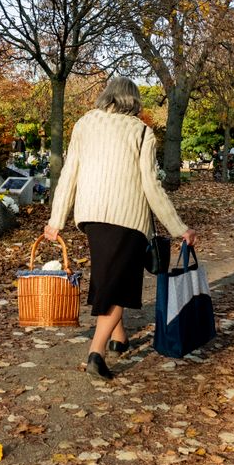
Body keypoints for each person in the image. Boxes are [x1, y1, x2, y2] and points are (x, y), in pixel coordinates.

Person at [43, 77, 197, 380]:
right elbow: (151, 187)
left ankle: (119, 339)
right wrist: (180, 228)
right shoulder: (141, 132)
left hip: (91, 215)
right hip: (127, 218)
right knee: (120, 286)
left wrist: (56, 219)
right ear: (134, 101)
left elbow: (69, 173)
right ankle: (96, 353)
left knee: (108, 276)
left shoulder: (85, 123)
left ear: (108, 96)